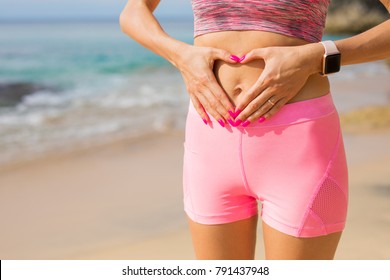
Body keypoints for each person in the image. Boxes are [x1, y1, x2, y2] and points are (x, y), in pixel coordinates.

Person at [119, 0, 390, 260]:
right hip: (210, 140)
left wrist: (318, 56)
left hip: (298, 145)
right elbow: (134, 11)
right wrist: (181, 56)